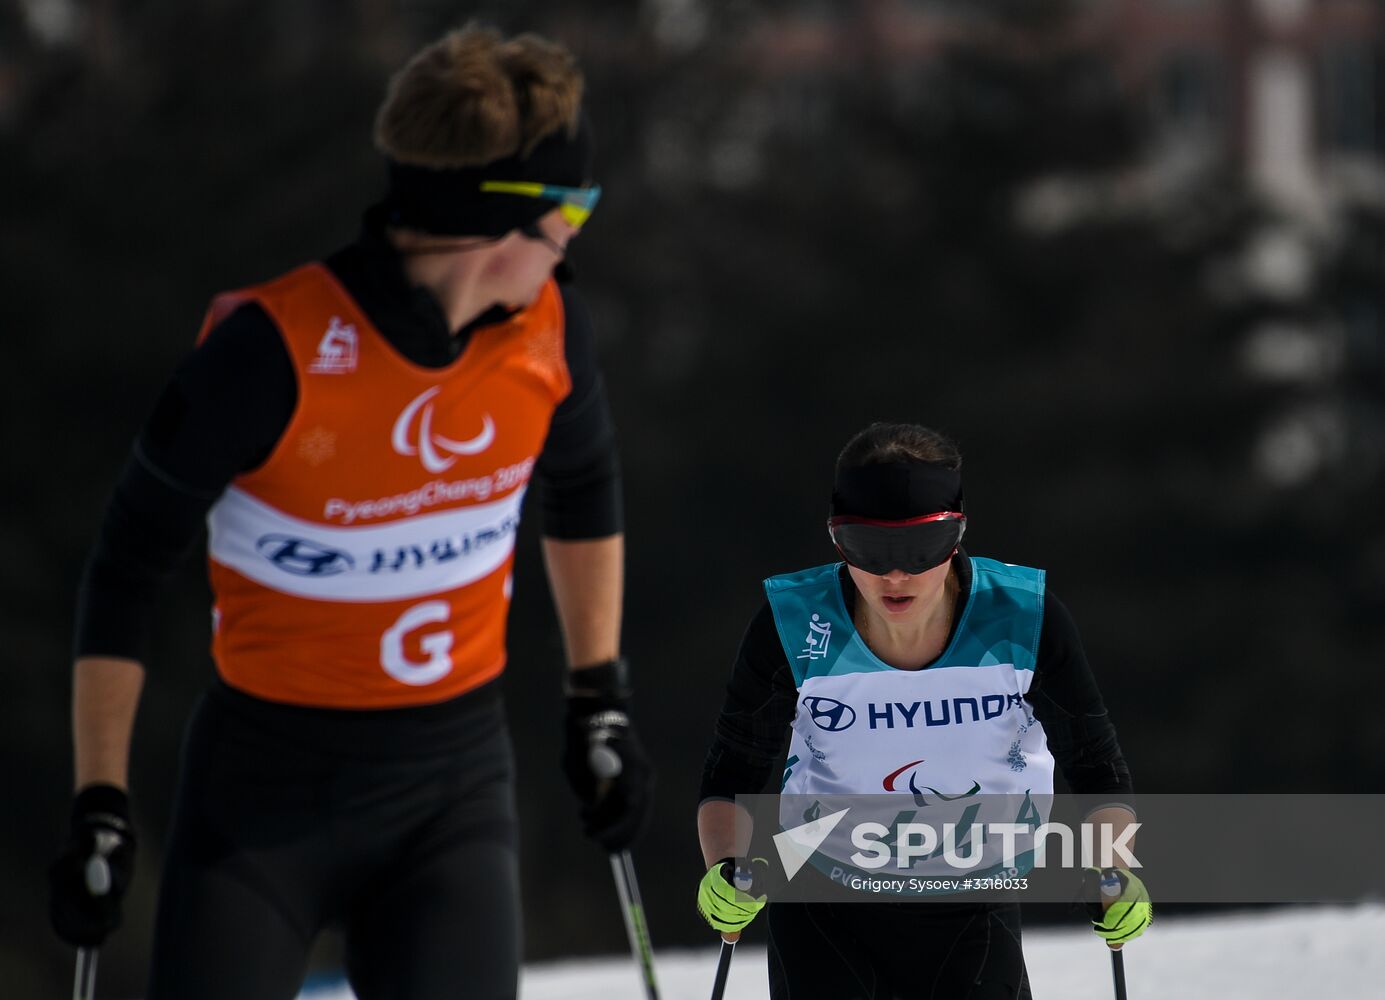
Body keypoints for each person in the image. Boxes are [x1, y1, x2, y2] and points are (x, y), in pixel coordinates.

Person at [47, 25, 652, 1000]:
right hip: (263, 801)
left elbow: (583, 489)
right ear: (501, 218)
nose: (579, 232)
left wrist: (598, 696)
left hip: (450, 791)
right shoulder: (270, 352)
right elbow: (126, 565)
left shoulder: (549, 334)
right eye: (572, 206)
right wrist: (100, 802)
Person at [695, 423, 1151, 999]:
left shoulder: (1023, 619)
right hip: (822, 898)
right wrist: (726, 867)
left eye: (921, 547)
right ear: (837, 539)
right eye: (870, 548)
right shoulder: (795, 625)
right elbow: (733, 770)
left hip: (974, 898)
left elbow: (1096, 767)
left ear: (956, 534)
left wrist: (1113, 870)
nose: (896, 575)